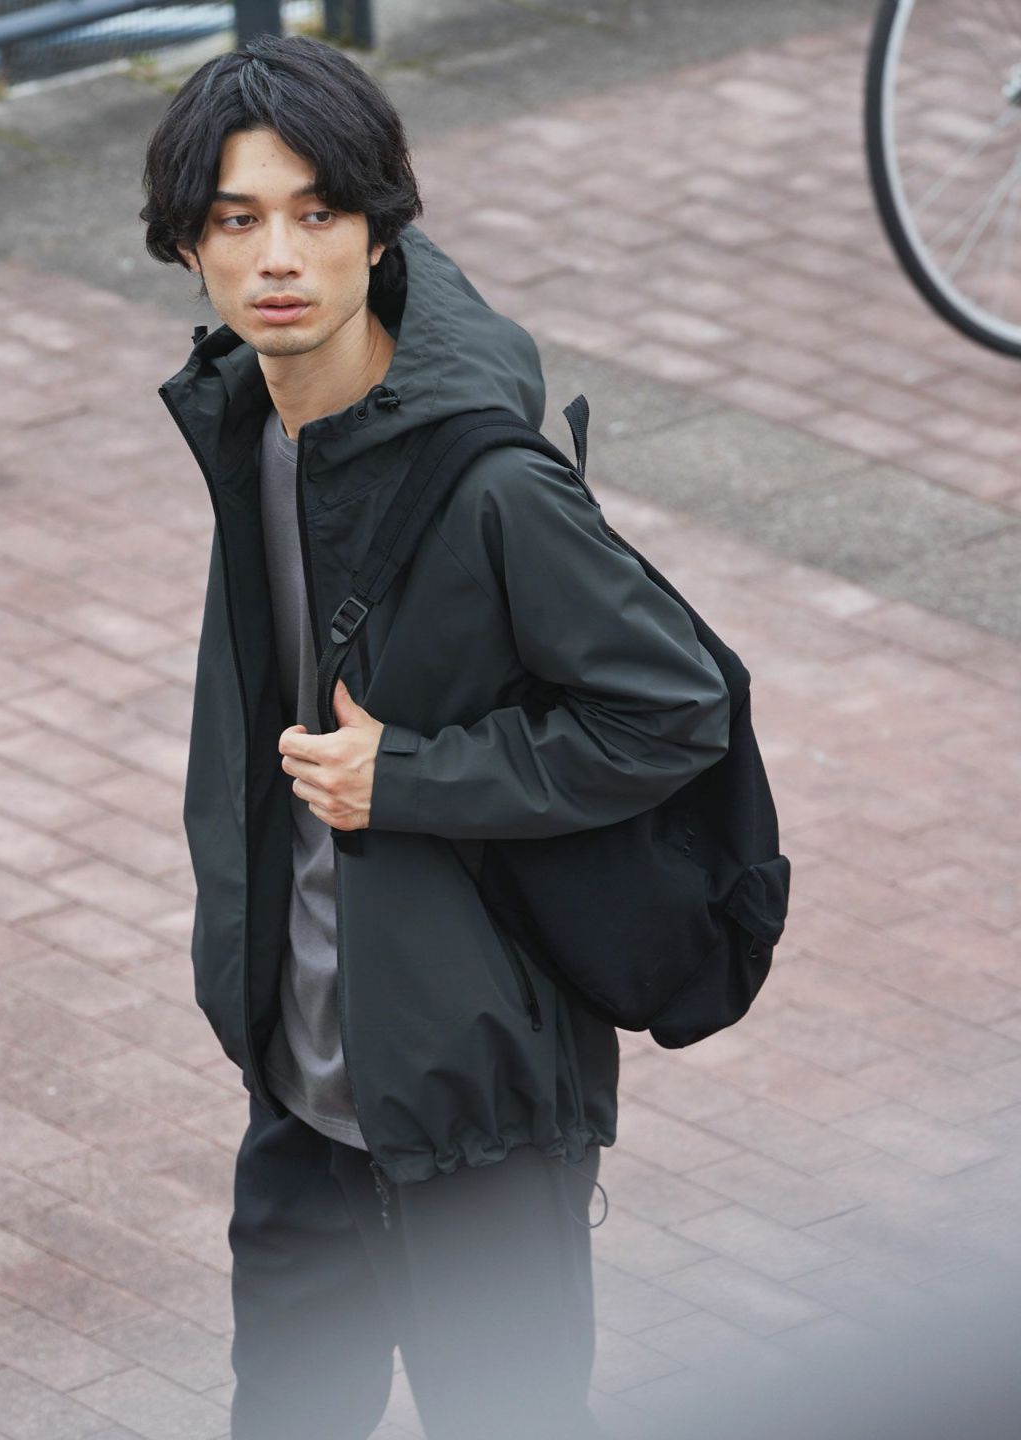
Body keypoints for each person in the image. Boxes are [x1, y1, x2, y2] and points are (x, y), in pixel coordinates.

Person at [141, 33, 730, 1440]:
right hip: (301, 1096)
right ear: (188, 248)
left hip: (477, 1120)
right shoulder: (254, 420)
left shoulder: (488, 484)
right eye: (238, 220)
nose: (280, 257)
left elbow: (675, 705)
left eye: (316, 213)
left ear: (377, 228)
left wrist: (409, 776)